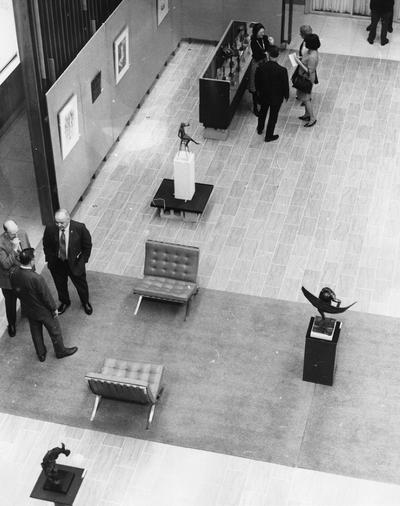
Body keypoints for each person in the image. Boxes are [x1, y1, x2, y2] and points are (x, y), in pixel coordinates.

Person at [10, 248, 78, 362]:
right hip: (43, 311)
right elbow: (46, 296)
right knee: (54, 331)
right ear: (31, 261)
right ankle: (60, 351)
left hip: (29, 309)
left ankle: (41, 354)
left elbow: (15, 290)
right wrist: (53, 309)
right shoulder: (36, 278)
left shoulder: (14, 273)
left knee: (35, 331)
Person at [43, 209, 93, 315]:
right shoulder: (50, 228)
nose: (59, 225)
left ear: (68, 219)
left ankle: (85, 302)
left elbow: (87, 245)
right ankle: (65, 301)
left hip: (75, 263)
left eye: (62, 222)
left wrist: (83, 260)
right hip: (57, 263)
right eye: (57, 222)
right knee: (60, 285)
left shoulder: (80, 228)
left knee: (81, 284)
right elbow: (46, 245)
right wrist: (49, 259)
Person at [0, 220, 31, 337]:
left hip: (23, 275)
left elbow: (29, 250)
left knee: (25, 296)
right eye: (13, 234)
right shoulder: (1, 243)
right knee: (10, 304)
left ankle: (26, 312)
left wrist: (31, 269)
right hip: (9, 280)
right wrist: (13, 249)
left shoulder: (22, 233)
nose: (16, 235)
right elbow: (6, 264)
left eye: (16, 231)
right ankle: (11, 324)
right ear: (6, 233)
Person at [255, 46, 289, 143]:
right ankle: (269, 135)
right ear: (278, 56)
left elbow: (257, 82)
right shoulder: (282, 70)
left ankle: (260, 128)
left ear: (268, 55)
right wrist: (286, 96)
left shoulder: (261, 68)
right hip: (276, 98)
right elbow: (285, 85)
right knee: (273, 116)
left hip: (264, 95)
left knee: (262, 112)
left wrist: (258, 92)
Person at [295, 33, 320, 128]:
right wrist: (300, 59)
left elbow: (310, 71)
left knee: (306, 98)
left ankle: (312, 118)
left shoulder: (313, 56)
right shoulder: (310, 51)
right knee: (305, 97)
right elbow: (306, 59)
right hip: (303, 76)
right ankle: (307, 114)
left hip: (307, 78)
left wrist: (299, 63)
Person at [248, 23, 274, 116]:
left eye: (263, 32)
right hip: (257, 64)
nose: (263, 34)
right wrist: (266, 53)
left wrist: (271, 44)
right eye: (261, 32)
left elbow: (269, 48)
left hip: (264, 62)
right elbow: (256, 55)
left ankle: (262, 100)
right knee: (254, 85)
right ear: (256, 32)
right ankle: (255, 107)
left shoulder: (265, 38)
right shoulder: (253, 41)